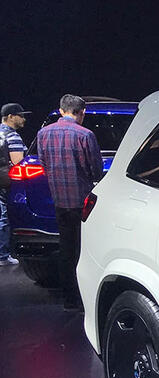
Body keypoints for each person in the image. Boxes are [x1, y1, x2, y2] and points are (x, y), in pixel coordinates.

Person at [35, 94, 103, 311]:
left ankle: (69, 299)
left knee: (66, 248)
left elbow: (43, 164)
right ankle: (86, 299)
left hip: (59, 199)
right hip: (83, 202)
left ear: (61, 110)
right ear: (81, 112)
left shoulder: (43, 133)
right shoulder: (85, 134)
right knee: (85, 249)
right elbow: (96, 169)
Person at [0, 102, 30, 267]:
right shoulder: (13, 136)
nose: (24, 119)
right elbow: (18, 162)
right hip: (5, 182)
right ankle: (3, 255)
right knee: (4, 217)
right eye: (21, 115)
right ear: (10, 117)